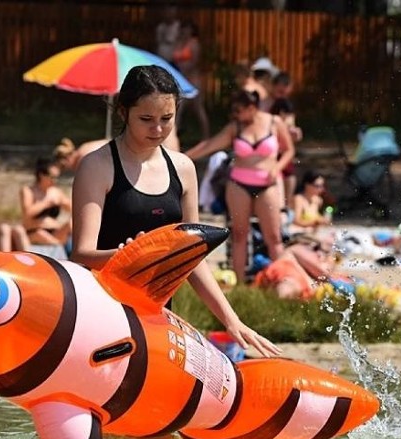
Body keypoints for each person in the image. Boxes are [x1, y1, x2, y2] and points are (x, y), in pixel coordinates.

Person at [71, 64, 280, 359]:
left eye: (166, 119)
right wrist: (135, 255)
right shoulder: (97, 166)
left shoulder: (182, 168)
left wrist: (232, 322)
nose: (157, 130)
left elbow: (193, 256)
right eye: (146, 119)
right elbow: (81, 254)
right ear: (122, 112)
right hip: (102, 314)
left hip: (154, 316)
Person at [185, 89, 295, 284]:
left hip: (267, 184)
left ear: (252, 108)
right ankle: (239, 284)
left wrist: (277, 167)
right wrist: (183, 157)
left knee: (274, 236)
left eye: (238, 110)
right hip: (239, 184)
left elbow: (289, 150)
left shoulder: (274, 122)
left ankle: (285, 280)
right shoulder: (235, 127)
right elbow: (209, 145)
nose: (235, 115)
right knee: (239, 234)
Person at [20, 157, 72, 247]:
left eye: (56, 177)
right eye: (52, 177)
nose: (54, 180)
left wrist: (64, 203)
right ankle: (58, 245)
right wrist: (46, 203)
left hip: (54, 230)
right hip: (35, 231)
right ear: (41, 175)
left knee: (71, 224)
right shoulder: (28, 191)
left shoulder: (56, 191)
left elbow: (73, 208)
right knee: (40, 234)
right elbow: (28, 213)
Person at [269, 71, 303, 208]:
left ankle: (286, 208)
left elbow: (291, 129)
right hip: (270, 152)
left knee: (289, 175)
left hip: (282, 151)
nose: (281, 93)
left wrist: (294, 133)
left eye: (284, 90)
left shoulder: (286, 106)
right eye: (279, 90)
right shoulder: (266, 103)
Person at [173, 20, 210, 139]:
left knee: (198, 109)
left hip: (192, 80)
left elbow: (194, 62)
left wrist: (183, 69)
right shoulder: (178, 43)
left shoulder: (194, 44)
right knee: (179, 108)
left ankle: (206, 137)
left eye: (187, 29)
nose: (184, 31)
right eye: (183, 29)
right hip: (180, 79)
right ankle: (174, 136)